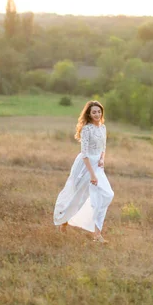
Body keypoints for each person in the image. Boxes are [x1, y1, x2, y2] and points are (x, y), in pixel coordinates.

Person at [53, 100, 114, 243]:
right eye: (94, 112)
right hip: (85, 166)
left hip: (98, 166)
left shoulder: (103, 128)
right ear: (89, 114)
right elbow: (85, 154)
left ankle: (97, 234)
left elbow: (103, 147)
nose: (97, 114)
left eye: (99, 112)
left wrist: (102, 159)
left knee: (107, 194)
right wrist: (92, 174)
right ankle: (64, 221)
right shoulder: (86, 129)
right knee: (78, 197)